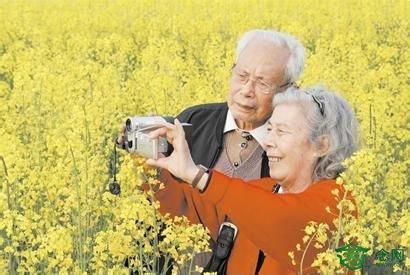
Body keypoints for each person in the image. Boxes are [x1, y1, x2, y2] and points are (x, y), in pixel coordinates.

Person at [117, 29, 305, 272]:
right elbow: (157, 210)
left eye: (263, 83)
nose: (246, 90)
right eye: (241, 75)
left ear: (290, 89)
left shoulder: (297, 152)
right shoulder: (192, 122)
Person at [147, 86, 359, 274]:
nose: (268, 142)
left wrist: (198, 176)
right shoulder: (264, 191)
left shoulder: (339, 206)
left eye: (281, 132)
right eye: (269, 130)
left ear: (321, 146)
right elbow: (187, 208)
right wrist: (151, 162)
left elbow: (280, 219)